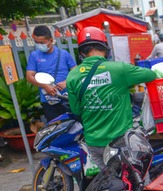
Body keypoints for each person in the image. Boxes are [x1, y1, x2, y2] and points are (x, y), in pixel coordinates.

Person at [66, 27, 156, 171]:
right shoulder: (119, 69)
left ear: (82, 53)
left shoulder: (73, 75)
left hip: (94, 143)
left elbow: (76, 110)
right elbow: (151, 75)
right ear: (106, 49)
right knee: (134, 179)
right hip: (120, 142)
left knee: (109, 180)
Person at [26, 25, 76, 122]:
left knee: (72, 126)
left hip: (67, 98)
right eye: (36, 42)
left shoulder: (64, 54)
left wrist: (67, 82)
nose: (39, 45)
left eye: (42, 42)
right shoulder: (34, 56)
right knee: (54, 128)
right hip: (48, 101)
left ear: (51, 40)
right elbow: (29, 76)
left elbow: (76, 72)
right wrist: (44, 86)